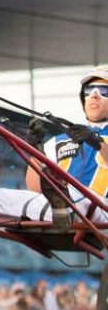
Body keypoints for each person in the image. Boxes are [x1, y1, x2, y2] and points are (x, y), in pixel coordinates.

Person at [26, 67, 108, 224]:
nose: (94, 96)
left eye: (103, 91)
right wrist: (35, 151)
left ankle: (64, 205)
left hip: (100, 209)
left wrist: (97, 142)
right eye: (89, 91)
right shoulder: (57, 142)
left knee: (79, 198)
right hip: (62, 206)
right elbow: (34, 191)